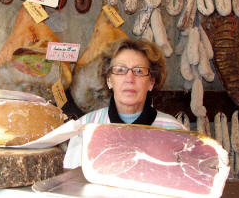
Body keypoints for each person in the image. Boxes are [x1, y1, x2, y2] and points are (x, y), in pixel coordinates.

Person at [63, 38, 186, 169]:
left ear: (151, 82)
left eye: (138, 71)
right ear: (109, 80)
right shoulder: (85, 128)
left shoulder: (174, 131)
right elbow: (73, 180)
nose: (129, 79)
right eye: (120, 70)